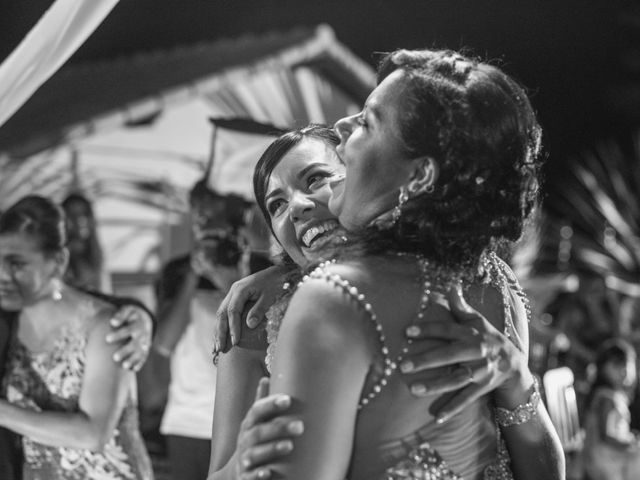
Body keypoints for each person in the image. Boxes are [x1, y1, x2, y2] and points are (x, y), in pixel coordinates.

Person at [221, 48, 565, 479]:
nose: (344, 126)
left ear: (419, 176)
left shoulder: (335, 299)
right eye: (275, 205)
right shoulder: (267, 310)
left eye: (366, 121)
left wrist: (515, 378)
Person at [0, 195, 153, 479]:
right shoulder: (9, 318)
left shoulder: (107, 325)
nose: (2, 275)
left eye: (16, 263)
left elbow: (93, 434)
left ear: (58, 262)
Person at [154, 179, 270, 480]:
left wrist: (226, 275)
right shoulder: (178, 271)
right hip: (187, 419)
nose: (203, 221)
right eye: (198, 214)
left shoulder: (258, 267)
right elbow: (165, 342)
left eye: (212, 215)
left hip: (244, 413)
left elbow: (256, 328)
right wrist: (194, 272)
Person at [582, 338, 640, 480]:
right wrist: (630, 442)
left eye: (625, 366)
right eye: (616, 366)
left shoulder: (613, 395)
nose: (622, 371)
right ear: (603, 368)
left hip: (603, 455)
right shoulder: (608, 399)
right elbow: (608, 436)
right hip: (605, 461)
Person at [61, 192, 112, 293]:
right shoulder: (58, 257)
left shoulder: (97, 255)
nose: (80, 220)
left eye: (84, 214)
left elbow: (106, 293)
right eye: (73, 215)